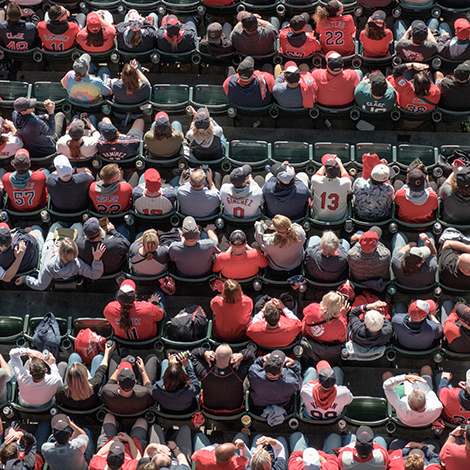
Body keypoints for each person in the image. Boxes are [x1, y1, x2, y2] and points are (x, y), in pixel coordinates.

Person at [16, 230, 105, 290]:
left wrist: (25, 279)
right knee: (77, 225)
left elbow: (40, 285)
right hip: (66, 268)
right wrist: (97, 259)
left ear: (59, 250)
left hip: (48, 249)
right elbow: (95, 274)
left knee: (43, 229)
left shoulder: (49, 266)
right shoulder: (77, 263)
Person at [191, 344, 255, 415]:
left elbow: (193, 353)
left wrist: (205, 352)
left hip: (209, 409)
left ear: (214, 356)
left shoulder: (204, 370)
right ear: (231, 358)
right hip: (235, 409)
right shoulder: (239, 372)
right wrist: (242, 355)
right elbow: (251, 356)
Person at [55, 341, 114, 410]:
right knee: (98, 358)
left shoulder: (62, 392)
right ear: (86, 376)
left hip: (71, 407)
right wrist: (107, 353)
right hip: (91, 404)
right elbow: (102, 369)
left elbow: (58, 402)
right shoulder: (95, 384)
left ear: (67, 378)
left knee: (74, 356)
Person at [248, 350, 302, 415]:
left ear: (264, 365)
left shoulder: (253, 373)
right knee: (297, 363)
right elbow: (299, 382)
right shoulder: (291, 382)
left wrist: (261, 360)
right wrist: (293, 365)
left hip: (257, 409)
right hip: (283, 407)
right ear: (280, 371)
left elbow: (255, 364)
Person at [310, 155, 352, 222]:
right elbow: (346, 176)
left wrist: (327, 163)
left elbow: (317, 174)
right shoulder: (345, 183)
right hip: (339, 219)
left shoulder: (315, 180)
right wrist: (340, 164)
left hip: (317, 218)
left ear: (326, 171)